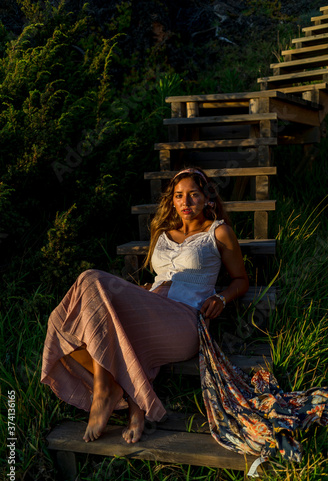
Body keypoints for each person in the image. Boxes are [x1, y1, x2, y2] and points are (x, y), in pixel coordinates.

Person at [41, 167, 249, 445]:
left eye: (193, 195)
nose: (185, 203)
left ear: (207, 198)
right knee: (62, 319)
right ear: (172, 200)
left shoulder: (218, 232)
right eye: (178, 196)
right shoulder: (162, 233)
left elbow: (241, 280)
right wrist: (141, 294)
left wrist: (221, 298)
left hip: (184, 318)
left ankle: (108, 393)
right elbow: (158, 278)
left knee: (90, 278)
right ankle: (128, 400)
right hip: (153, 304)